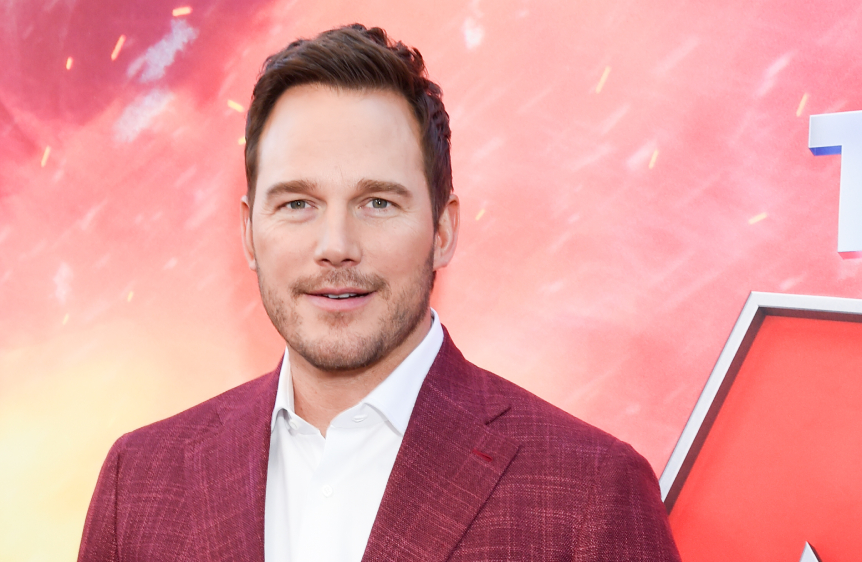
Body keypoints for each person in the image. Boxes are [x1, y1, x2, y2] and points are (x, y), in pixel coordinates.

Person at [77, 24, 681, 562]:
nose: (336, 245)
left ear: (442, 231)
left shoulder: (590, 492)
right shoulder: (140, 482)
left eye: (378, 203)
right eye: (298, 203)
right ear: (248, 232)